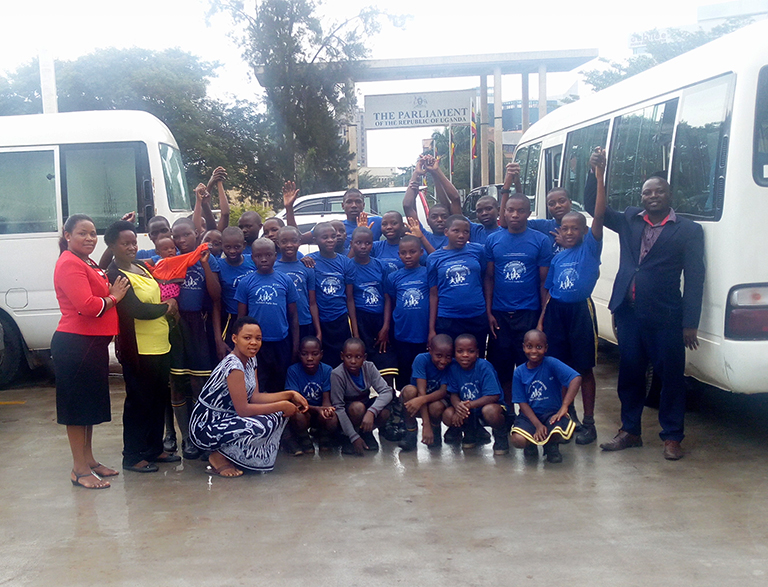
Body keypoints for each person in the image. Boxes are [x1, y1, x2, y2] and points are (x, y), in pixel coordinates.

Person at [583, 148, 705, 460]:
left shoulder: (689, 230)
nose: (652, 196)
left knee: (670, 377)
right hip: (629, 313)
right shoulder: (629, 219)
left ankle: (672, 437)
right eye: (647, 192)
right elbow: (593, 208)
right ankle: (630, 430)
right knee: (631, 372)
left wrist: (690, 322)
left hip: (666, 316)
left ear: (669, 194)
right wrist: (595, 173)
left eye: (658, 191)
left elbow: (695, 277)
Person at [52, 214, 130, 489]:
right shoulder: (69, 263)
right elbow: (88, 306)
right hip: (76, 345)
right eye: (82, 233)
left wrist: (116, 227)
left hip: (92, 344)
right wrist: (114, 297)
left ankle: (89, 460)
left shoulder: (86, 261)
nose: (89, 238)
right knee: (76, 408)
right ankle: (78, 469)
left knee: (89, 406)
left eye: (93, 234)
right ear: (67, 235)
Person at [537, 150, 607, 446]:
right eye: (564, 228)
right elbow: (549, 292)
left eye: (574, 228)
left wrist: (599, 176)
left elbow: (600, 213)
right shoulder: (558, 257)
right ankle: (569, 415)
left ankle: (589, 422)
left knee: (583, 368)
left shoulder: (590, 248)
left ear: (583, 231)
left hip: (580, 311)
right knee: (559, 368)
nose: (568, 232)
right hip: (556, 313)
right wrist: (541, 322)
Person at [189, 316, 309, 476]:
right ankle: (218, 456)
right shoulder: (234, 366)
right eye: (247, 338)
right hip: (207, 425)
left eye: (258, 338)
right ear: (234, 339)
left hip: (228, 417)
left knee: (276, 416)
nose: (253, 342)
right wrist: (282, 405)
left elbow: (255, 397)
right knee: (263, 424)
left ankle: (234, 456)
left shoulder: (251, 359)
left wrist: (289, 395)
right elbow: (244, 410)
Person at [105, 221, 181, 473]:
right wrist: (166, 307)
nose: (131, 247)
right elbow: (135, 309)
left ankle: (154, 448)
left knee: (159, 399)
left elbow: (158, 291)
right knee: (138, 402)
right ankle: (132, 455)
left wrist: (167, 301)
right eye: (125, 243)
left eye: (134, 242)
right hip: (138, 349)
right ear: (112, 245)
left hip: (160, 345)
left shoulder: (140, 267)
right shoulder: (116, 274)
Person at [484, 192, 552, 408]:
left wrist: (542, 318)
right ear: (503, 213)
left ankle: (529, 415)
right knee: (501, 368)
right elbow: (489, 278)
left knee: (529, 367)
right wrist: (489, 312)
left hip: (528, 313)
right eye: (510, 210)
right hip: (500, 316)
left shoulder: (540, 240)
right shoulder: (493, 240)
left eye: (520, 210)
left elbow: (544, 283)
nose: (515, 214)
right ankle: (507, 415)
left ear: (528, 213)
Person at [169, 217, 223, 460]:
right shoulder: (168, 261)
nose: (181, 241)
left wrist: (205, 266)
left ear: (196, 234)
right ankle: (187, 439)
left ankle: (203, 434)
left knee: (199, 384)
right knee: (177, 385)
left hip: (198, 326)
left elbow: (215, 297)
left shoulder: (207, 259)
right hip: (174, 326)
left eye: (186, 235)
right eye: (176, 236)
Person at [235, 238, 300, 393]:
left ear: (275, 256)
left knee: (280, 384)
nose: (263, 259)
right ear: (252, 257)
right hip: (256, 345)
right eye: (258, 256)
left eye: (268, 255)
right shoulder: (246, 282)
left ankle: (279, 416)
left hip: (281, 342)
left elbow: (294, 316)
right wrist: (239, 347)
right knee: (258, 384)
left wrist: (295, 346)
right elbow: (241, 319)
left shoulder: (286, 280)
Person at [510, 330, 582, 464]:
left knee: (561, 432)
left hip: (551, 415)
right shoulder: (519, 372)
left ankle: (551, 447)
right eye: (529, 346)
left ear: (546, 348)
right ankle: (530, 444)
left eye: (539, 347)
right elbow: (522, 402)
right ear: (523, 347)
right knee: (517, 439)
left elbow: (576, 378)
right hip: (530, 417)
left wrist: (565, 406)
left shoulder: (552, 363)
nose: (534, 351)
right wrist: (537, 425)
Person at [427, 215, 489, 357]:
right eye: (456, 231)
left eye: (466, 231)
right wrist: (431, 328)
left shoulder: (478, 251)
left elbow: (486, 279)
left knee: (475, 359)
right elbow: (433, 293)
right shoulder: (434, 258)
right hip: (447, 319)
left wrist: (488, 311)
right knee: (449, 360)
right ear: (446, 232)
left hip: (476, 316)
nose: (461, 235)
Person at [442, 334, 508, 454]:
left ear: (477, 353)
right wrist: (459, 407)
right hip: (468, 411)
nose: (465, 355)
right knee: (448, 414)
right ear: (454, 353)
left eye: (470, 351)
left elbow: (493, 396)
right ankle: (470, 431)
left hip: (489, 407)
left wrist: (468, 405)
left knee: (490, 411)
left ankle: (501, 436)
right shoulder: (453, 368)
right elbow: (454, 394)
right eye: (460, 351)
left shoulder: (484, 367)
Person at [349, 226, 397, 385]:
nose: (363, 247)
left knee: (386, 364)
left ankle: (390, 401)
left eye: (367, 243)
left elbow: (387, 297)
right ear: (352, 244)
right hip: (361, 320)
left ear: (373, 244)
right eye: (359, 243)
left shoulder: (380, 266)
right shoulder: (348, 267)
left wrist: (386, 326)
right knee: (362, 364)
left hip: (380, 319)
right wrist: (356, 333)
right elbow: (349, 300)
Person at [331, 338, 394, 456]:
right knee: (357, 408)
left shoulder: (369, 367)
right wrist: (353, 436)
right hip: (348, 412)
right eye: (348, 356)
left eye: (358, 357)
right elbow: (338, 407)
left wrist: (371, 412)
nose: (353, 361)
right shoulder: (337, 374)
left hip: (365, 406)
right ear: (342, 356)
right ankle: (349, 436)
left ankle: (366, 433)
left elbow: (387, 391)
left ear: (364, 357)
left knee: (384, 410)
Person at [385, 234, 431, 389]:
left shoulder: (427, 273)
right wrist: (387, 327)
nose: (408, 256)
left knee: (423, 373)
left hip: (423, 334)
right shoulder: (393, 277)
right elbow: (390, 303)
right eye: (403, 253)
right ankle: (404, 408)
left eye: (412, 252)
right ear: (398, 255)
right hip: (402, 334)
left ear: (421, 252)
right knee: (404, 374)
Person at [308, 222, 356, 367]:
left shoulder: (346, 263)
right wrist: (318, 330)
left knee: (342, 362)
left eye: (333, 236)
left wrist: (355, 330)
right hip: (320, 320)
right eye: (325, 237)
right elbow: (312, 301)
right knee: (325, 363)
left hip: (340, 319)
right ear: (315, 240)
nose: (330, 240)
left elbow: (349, 298)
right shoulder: (310, 261)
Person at [398, 334, 453, 451]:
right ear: (430, 350)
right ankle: (411, 432)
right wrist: (425, 425)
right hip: (416, 398)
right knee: (409, 391)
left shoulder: (451, 365)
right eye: (439, 356)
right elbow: (421, 391)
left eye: (448, 356)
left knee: (436, 406)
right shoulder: (421, 359)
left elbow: (443, 392)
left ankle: (435, 430)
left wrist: (422, 400)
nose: (443, 361)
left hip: (434, 400)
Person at [284, 336, 338, 454]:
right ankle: (303, 438)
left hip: (319, 413)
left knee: (332, 418)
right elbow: (296, 403)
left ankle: (324, 436)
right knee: (297, 415)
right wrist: (317, 409)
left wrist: (326, 411)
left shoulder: (327, 370)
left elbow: (326, 400)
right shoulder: (293, 371)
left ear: (321, 354)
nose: (309, 358)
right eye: (304, 354)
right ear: (299, 355)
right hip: (304, 413)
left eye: (314, 354)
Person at [275, 225, 321, 341]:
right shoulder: (273, 268)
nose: (289, 245)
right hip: (282, 323)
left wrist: (318, 330)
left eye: (294, 241)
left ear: (300, 242)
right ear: (278, 243)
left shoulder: (307, 267)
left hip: (304, 321)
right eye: (284, 242)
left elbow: (312, 302)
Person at [402, 156, 449, 253]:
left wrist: (435, 173)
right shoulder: (422, 234)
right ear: (428, 220)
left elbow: (450, 201)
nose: (439, 220)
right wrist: (416, 174)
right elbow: (407, 206)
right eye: (434, 217)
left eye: (444, 216)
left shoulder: (456, 236)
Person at [218, 227, 256, 345]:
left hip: (254, 313)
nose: (232, 251)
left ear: (244, 245)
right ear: (222, 246)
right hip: (232, 317)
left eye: (237, 247)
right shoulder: (219, 266)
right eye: (228, 247)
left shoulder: (253, 261)